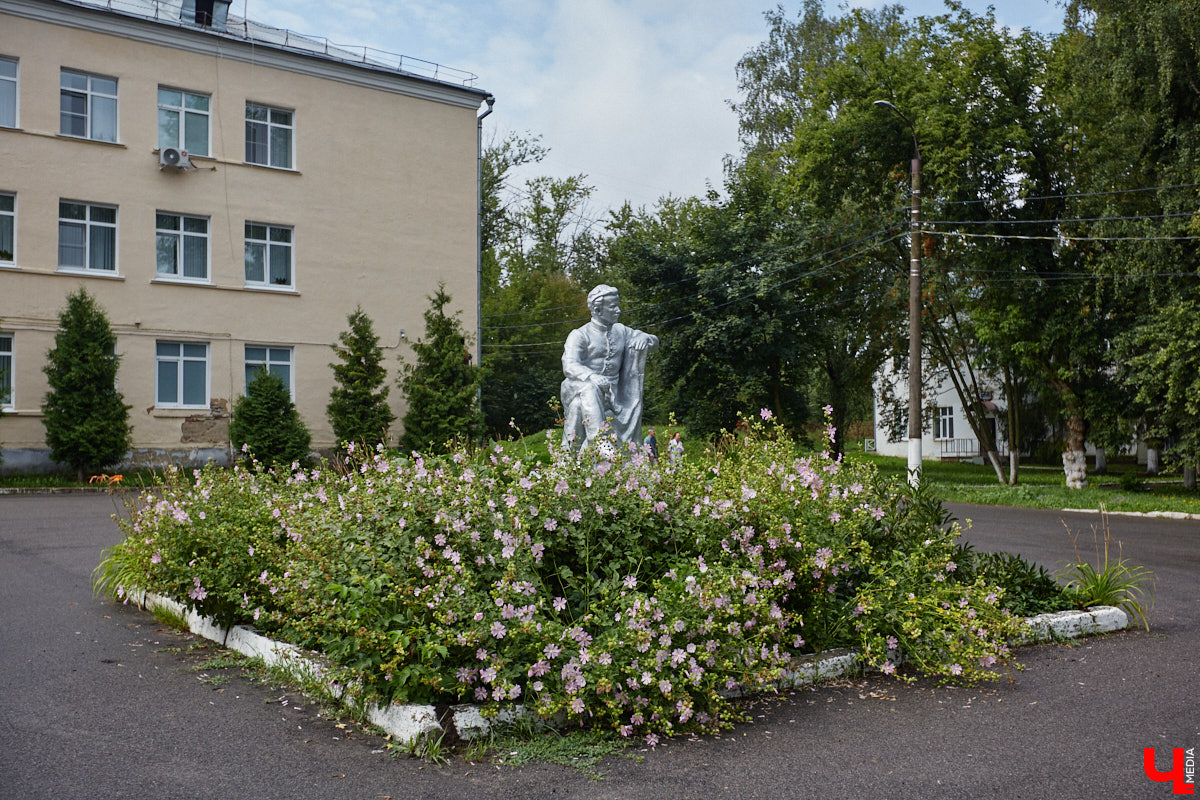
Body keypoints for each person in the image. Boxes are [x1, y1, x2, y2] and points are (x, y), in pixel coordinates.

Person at [561, 285, 658, 453]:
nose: (618, 310)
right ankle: (601, 441)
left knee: (580, 405)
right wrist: (591, 376)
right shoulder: (579, 335)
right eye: (613, 307)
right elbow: (569, 365)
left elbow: (655, 342)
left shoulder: (621, 331)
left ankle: (573, 455)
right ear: (598, 309)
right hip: (579, 385)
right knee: (589, 389)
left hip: (614, 394)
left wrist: (645, 337)